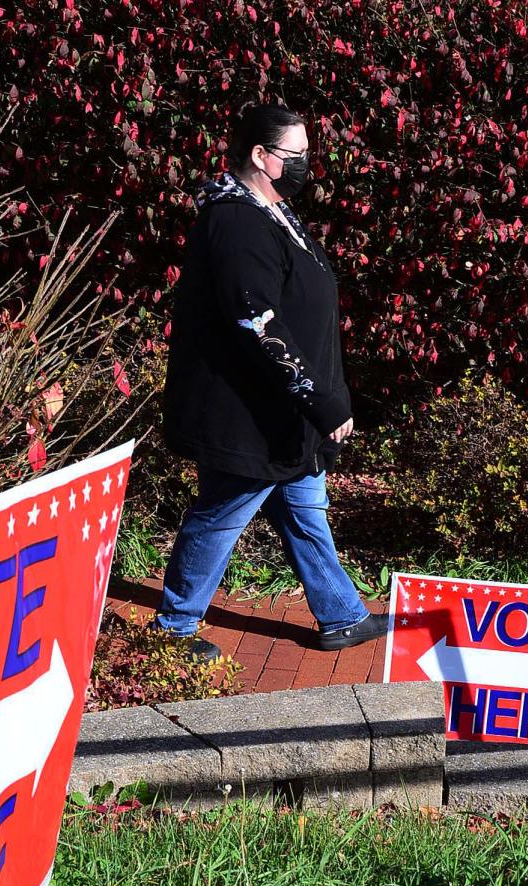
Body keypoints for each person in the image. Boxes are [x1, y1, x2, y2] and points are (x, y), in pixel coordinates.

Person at [154, 101, 388, 660]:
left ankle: (341, 615)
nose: (307, 165)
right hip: (250, 412)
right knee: (222, 512)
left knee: (304, 504)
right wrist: (321, 399)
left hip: (286, 413)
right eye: (296, 155)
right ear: (261, 156)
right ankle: (173, 627)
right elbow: (256, 321)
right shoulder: (234, 220)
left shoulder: (272, 210)